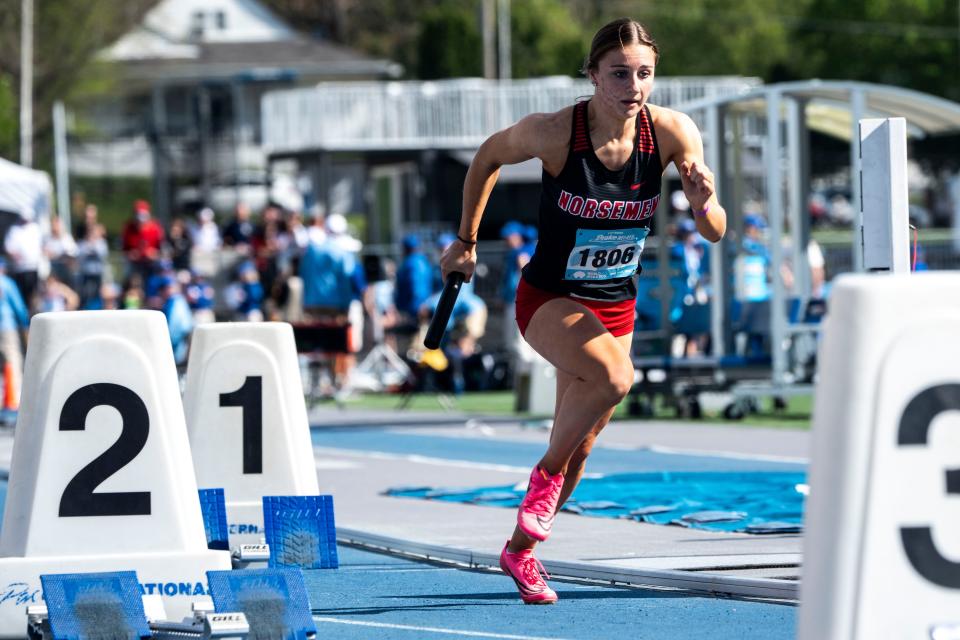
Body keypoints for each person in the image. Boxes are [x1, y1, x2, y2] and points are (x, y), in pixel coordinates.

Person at [439, 18, 726, 605]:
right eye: (619, 74)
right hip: (550, 298)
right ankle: (540, 479)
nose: (633, 85)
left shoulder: (673, 132)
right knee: (617, 379)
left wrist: (703, 203)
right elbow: (487, 158)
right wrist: (466, 241)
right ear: (593, 74)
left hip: (616, 306)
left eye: (644, 73)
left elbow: (716, 232)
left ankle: (520, 551)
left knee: (581, 445)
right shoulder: (552, 133)